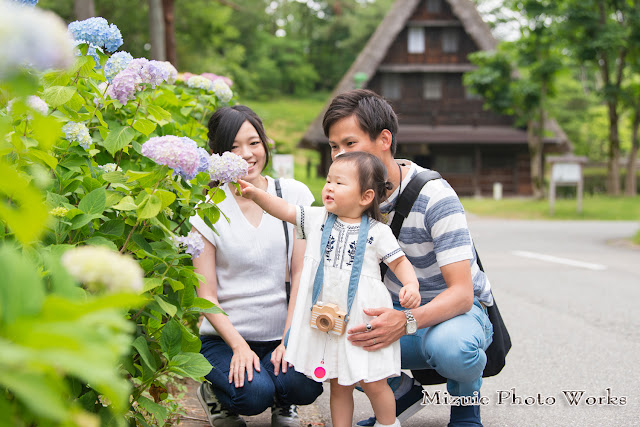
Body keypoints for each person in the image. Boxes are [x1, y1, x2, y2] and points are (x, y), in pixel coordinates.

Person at [321, 90, 494, 427]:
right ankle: (400, 392)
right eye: (333, 146)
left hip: (454, 314)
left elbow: (462, 294)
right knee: (337, 339)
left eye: (350, 143)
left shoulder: (434, 196)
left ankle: (466, 406)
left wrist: (407, 321)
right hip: (393, 317)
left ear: (384, 139)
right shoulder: (345, 201)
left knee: (453, 348)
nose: (340, 155)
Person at [239, 151, 421, 427]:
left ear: (365, 197)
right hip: (330, 322)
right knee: (338, 383)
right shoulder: (318, 219)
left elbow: (399, 262)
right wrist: (257, 195)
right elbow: (285, 209)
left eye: (339, 183)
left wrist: (411, 284)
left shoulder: (377, 232)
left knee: (373, 382)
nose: (329, 188)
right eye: (328, 181)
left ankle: (388, 424)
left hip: (363, 322)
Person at [190, 105, 323, 427]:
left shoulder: (294, 195)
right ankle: (215, 396)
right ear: (216, 154)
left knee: (304, 384)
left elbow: (300, 273)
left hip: (284, 331)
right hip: (226, 338)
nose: (246, 155)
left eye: (253, 143)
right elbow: (205, 293)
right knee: (252, 396)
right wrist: (238, 346)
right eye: (233, 147)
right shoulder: (206, 211)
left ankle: (285, 400)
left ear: (265, 144)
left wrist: (290, 339)